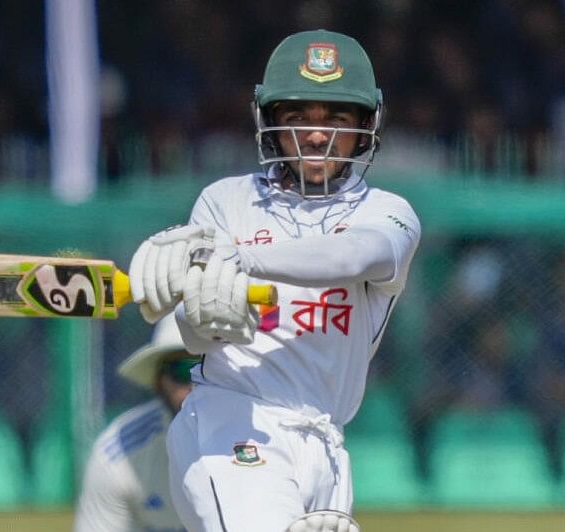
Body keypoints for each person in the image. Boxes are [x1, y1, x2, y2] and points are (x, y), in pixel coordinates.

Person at [126, 30, 421, 532]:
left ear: (367, 125)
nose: (315, 135)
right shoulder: (225, 202)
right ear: (271, 123)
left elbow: (351, 256)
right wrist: (202, 312)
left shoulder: (389, 213)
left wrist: (241, 258)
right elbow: (197, 339)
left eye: (337, 119)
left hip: (326, 440)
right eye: (299, 117)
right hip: (232, 421)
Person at [74, 314, 197, 532]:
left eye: (207, 371)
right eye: (182, 371)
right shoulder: (118, 455)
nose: (196, 387)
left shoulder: (273, 440)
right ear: (159, 381)